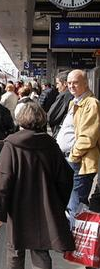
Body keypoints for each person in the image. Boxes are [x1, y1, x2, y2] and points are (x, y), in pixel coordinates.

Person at [0, 102, 75, 269]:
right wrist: (57, 202)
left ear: (21, 120)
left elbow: (2, 182)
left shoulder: (11, 145)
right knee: (41, 250)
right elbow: (66, 178)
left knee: (15, 250)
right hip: (44, 207)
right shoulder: (51, 145)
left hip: (17, 208)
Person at [57, 69, 100, 227]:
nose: (71, 86)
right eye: (68, 83)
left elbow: (88, 137)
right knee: (70, 202)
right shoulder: (74, 102)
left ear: (85, 83)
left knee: (76, 204)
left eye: (75, 82)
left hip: (79, 162)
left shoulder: (91, 104)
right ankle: (71, 238)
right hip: (69, 160)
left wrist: (73, 156)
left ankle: (75, 243)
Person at [47, 70, 73, 138]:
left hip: (61, 133)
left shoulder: (64, 96)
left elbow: (51, 116)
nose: (56, 86)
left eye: (58, 83)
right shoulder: (74, 95)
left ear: (65, 83)